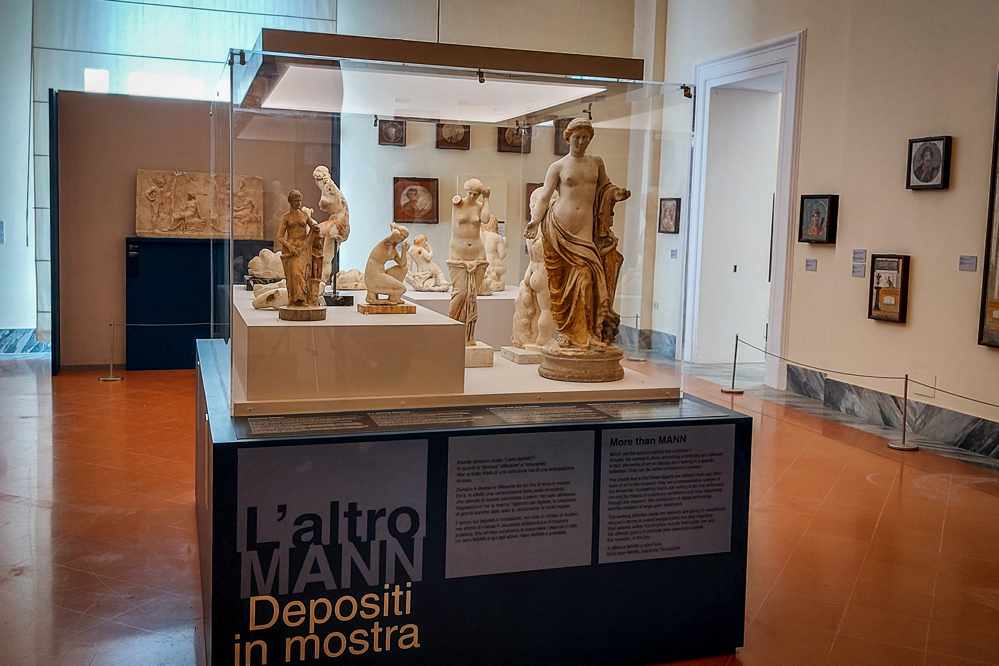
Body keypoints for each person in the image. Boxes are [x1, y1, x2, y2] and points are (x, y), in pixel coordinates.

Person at [525, 117, 628, 350]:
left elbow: (605, 188)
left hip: (584, 231)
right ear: (568, 138)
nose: (581, 142)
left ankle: (586, 333)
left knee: (587, 278)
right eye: (577, 137)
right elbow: (544, 196)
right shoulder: (558, 166)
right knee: (564, 283)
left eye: (585, 138)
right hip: (560, 228)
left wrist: (615, 194)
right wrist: (534, 221)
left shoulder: (596, 163)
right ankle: (571, 334)